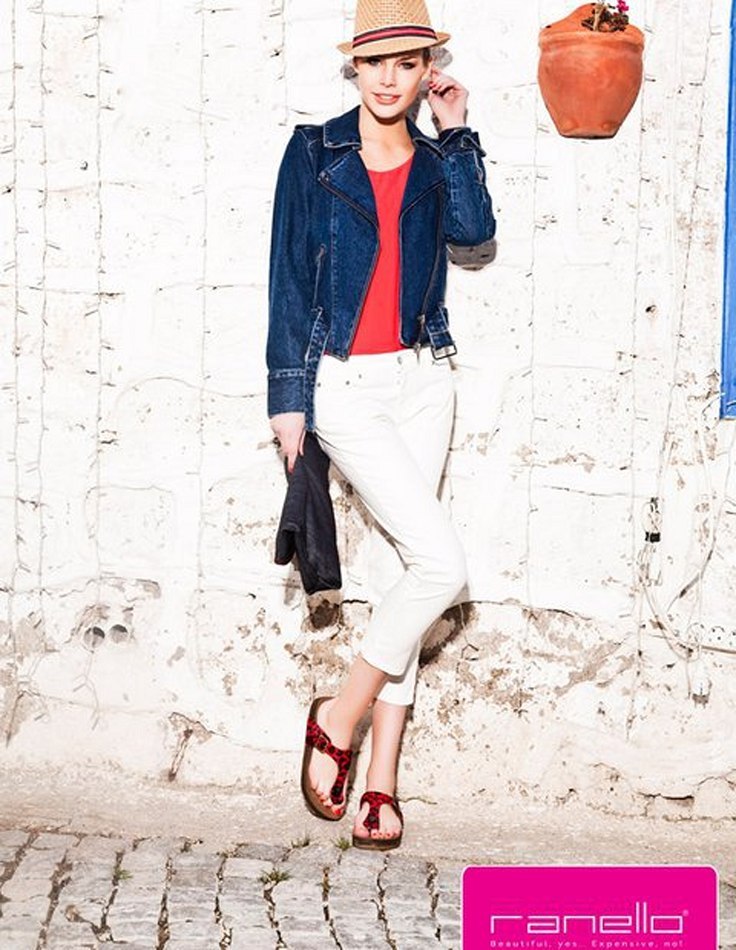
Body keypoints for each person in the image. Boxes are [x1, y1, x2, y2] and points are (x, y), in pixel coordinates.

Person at [266, 0, 496, 850]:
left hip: (424, 380)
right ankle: (341, 713)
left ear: (428, 68)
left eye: (408, 62)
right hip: (344, 386)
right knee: (443, 565)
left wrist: (458, 132)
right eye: (376, 63)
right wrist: (288, 396)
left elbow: (474, 233)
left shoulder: (436, 161)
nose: (391, 78)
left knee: (410, 571)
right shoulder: (314, 152)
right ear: (354, 68)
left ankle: (381, 781)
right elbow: (288, 275)